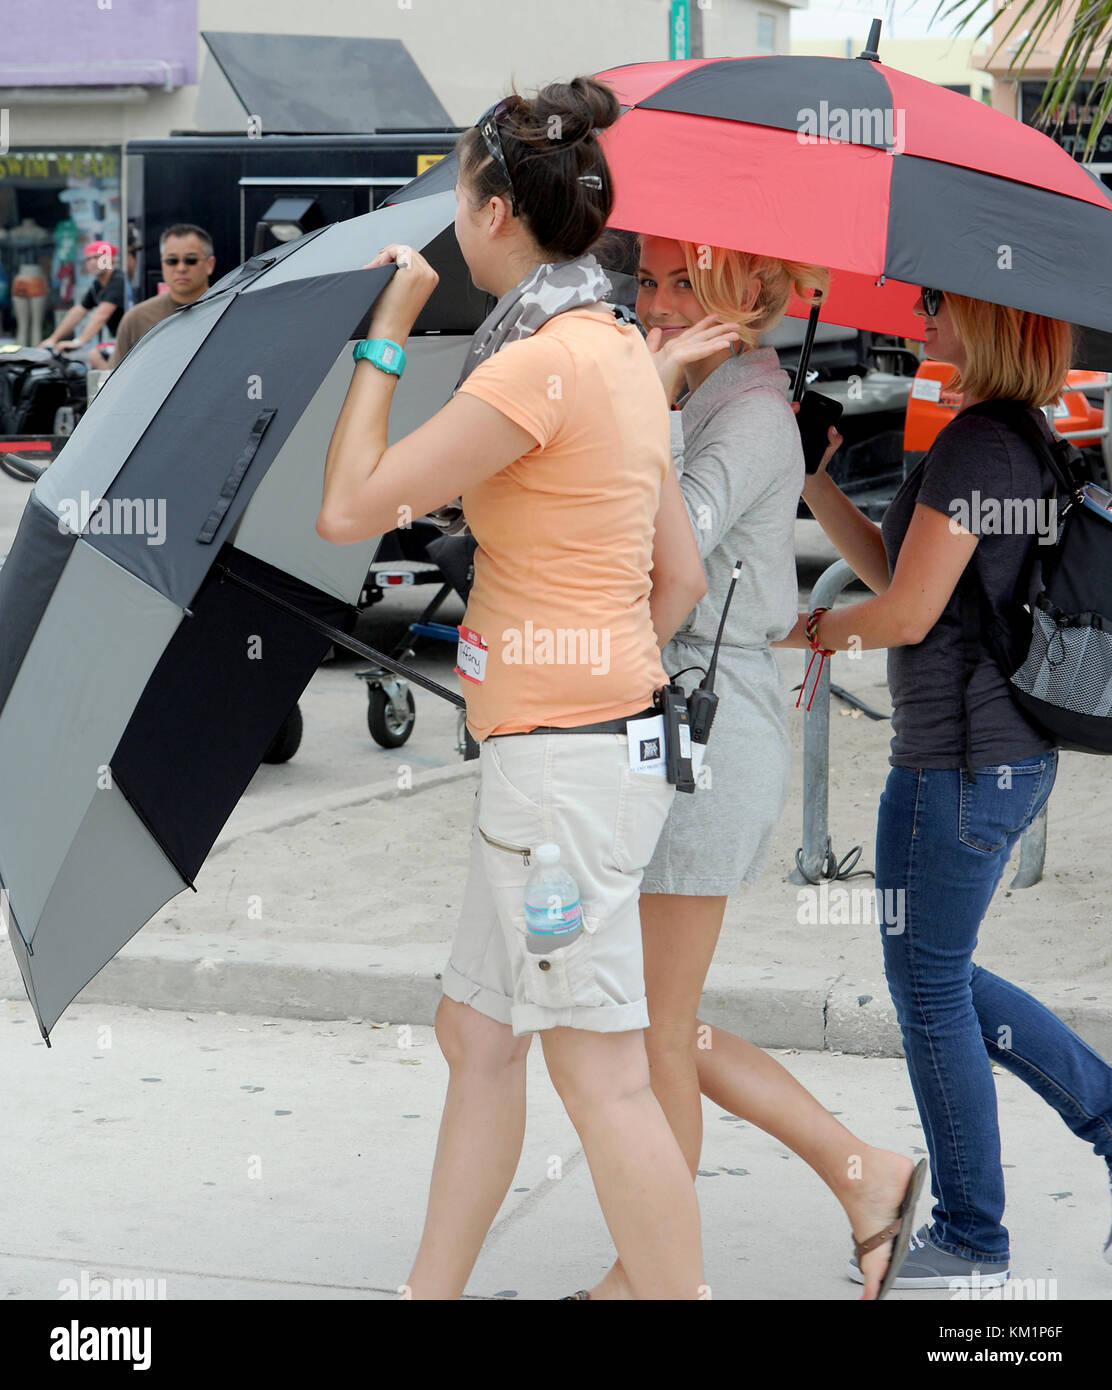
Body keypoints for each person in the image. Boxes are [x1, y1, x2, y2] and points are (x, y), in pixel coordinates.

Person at [316, 77, 711, 1299]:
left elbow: (347, 508)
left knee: (600, 1072)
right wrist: (587, 674)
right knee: (477, 1032)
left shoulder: (537, 368)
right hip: (590, 750)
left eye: (457, 199)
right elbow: (679, 578)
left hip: (559, 773)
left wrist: (390, 323)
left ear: (494, 212)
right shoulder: (615, 353)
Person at [572, 235, 923, 1302]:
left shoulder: (752, 415)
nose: (659, 301)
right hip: (674, 721)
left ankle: (648, 1273)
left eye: (688, 282)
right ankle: (862, 1173)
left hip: (703, 733)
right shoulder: (711, 398)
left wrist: (652, 389)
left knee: (653, 1029)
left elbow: (660, 554)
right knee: (647, 1016)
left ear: (753, 295)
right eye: (650, 279)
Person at [783, 286, 1112, 1287]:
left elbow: (901, 611)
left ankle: (972, 1233)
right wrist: (814, 482)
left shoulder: (978, 444)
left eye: (938, 303)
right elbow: (897, 567)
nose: (918, 314)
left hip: (962, 764)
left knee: (928, 985)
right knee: (935, 977)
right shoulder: (1017, 434)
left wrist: (809, 631)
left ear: (998, 319)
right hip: (984, 756)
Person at [108, 224, 216, 369]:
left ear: (210, 264)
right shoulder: (136, 319)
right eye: (172, 261)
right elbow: (116, 380)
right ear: (162, 265)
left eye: (191, 260)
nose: (181, 268)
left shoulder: (229, 312)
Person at [39, 240, 125, 359]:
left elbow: (101, 315)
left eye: (97, 257)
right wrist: (53, 339)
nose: (92, 262)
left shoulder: (118, 280)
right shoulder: (97, 285)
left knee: (95, 355)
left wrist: (78, 342)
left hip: (135, 342)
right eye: (88, 259)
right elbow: (78, 312)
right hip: (123, 341)